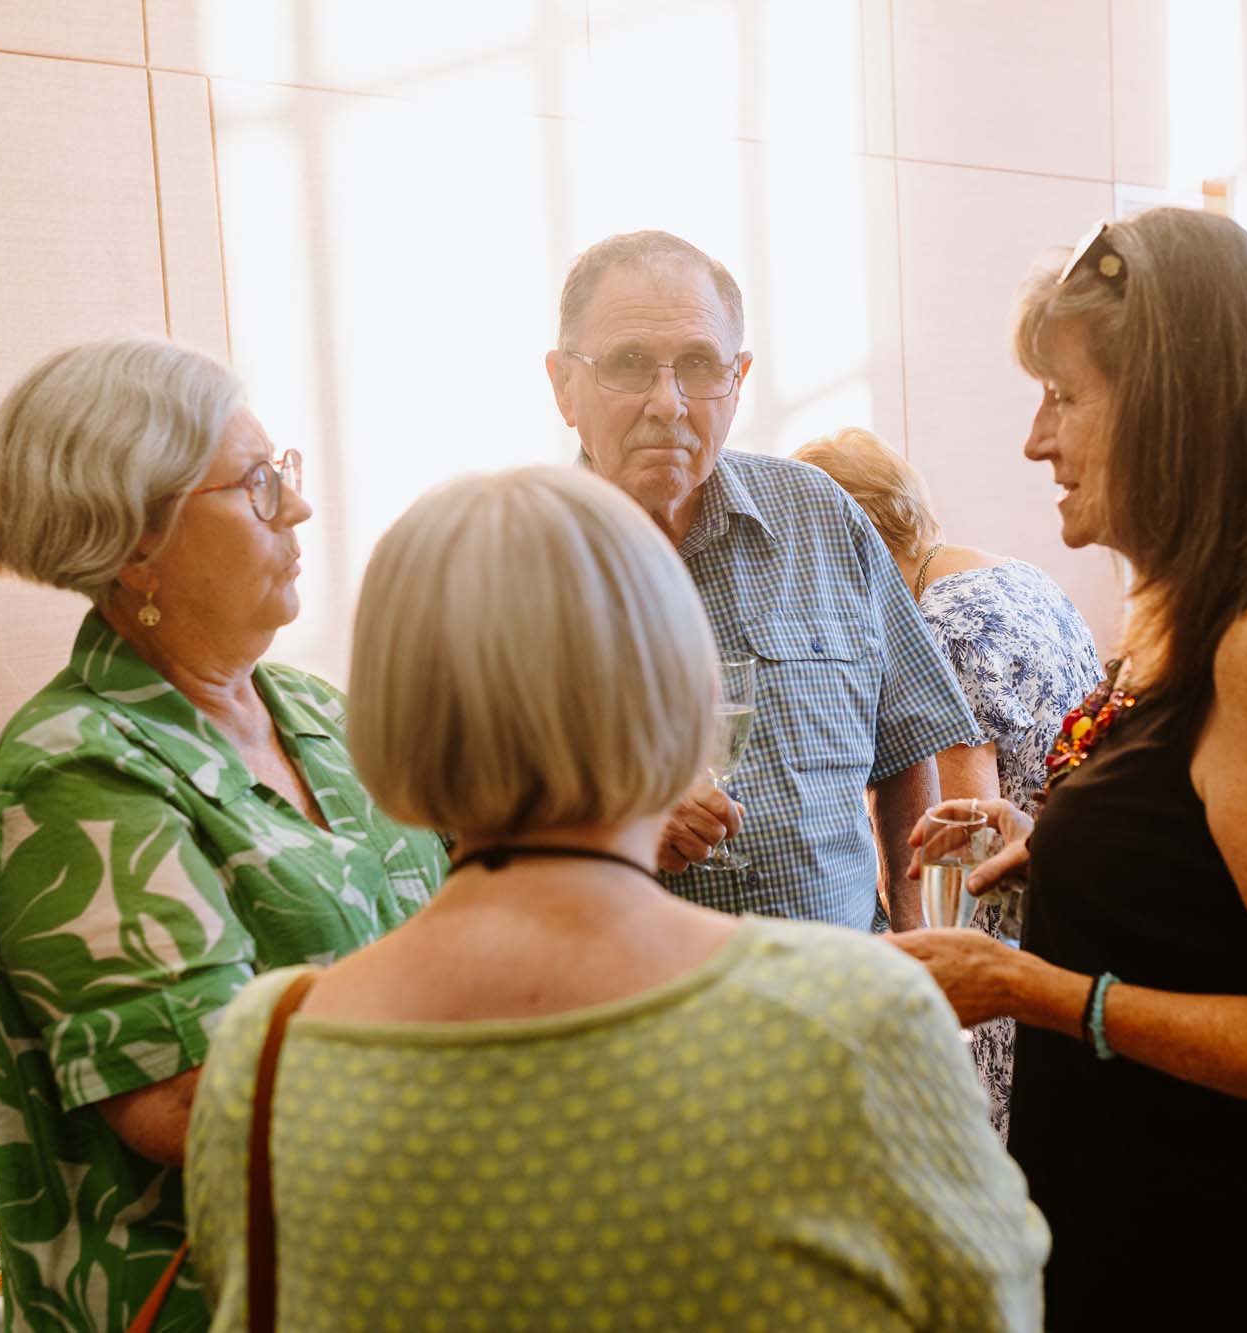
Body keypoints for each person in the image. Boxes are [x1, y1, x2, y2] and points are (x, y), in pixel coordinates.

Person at [184, 467, 1049, 1331]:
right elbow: (993, 1310)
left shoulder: (266, 1055)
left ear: (387, 717)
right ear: (695, 700)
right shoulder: (856, 1022)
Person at [890, 209, 1247, 1330]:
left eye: (1064, 396)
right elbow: (1229, 868)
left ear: (1176, 410)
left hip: (1228, 1258)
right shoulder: (1243, 609)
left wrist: (1022, 985)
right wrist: (1070, 848)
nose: (1035, 440)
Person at [0, 338, 446, 1331]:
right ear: (137, 541)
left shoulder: (315, 710)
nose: (296, 507)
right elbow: (192, 1100)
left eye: (284, 471)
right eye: (257, 483)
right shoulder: (75, 765)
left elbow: (449, 914)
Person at [545, 232, 980, 931]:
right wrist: (608, 828)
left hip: (846, 986)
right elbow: (450, 829)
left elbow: (907, 747)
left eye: (698, 365)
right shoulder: (509, 570)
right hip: (637, 996)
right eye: (629, 364)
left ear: (739, 380)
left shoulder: (822, 517)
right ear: (565, 385)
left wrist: (917, 946)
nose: (668, 402)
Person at [794, 426, 1103, 1138]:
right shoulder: (1019, 578)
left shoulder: (940, 629)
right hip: (1069, 922)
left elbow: (961, 848)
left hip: (1004, 965)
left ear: (853, 539)